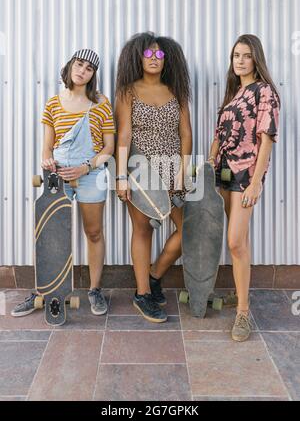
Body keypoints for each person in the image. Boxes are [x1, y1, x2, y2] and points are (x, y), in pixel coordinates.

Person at [11, 49, 115, 318]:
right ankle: (45, 291)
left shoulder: (101, 103)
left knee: (93, 232)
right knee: (51, 233)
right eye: (79, 64)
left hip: (91, 173)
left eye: (89, 68)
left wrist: (86, 166)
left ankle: (94, 290)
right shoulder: (53, 103)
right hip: (58, 175)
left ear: (93, 75)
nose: (83, 70)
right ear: (70, 66)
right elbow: (47, 147)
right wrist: (47, 161)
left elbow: (109, 147)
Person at [115, 32, 192, 323]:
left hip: (173, 169)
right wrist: (121, 176)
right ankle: (143, 293)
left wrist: (183, 170)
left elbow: (186, 133)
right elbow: (123, 135)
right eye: (149, 54)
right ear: (138, 57)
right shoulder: (127, 91)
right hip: (139, 171)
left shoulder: (176, 91)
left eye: (159, 55)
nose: (154, 59)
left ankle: (155, 273)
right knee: (143, 229)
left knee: (188, 231)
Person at [208, 35, 280, 341]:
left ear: (256, 59)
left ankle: (243, 313)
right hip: (222, 175)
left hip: (245, 176)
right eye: (236, 55)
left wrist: (256, 182)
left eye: (246, 55)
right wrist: (210, 160)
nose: (240, 60)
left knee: (236, 240)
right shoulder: (233, 93)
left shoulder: (265, 92)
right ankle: (240, 304)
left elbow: (267, 138)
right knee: (239, 242)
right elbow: (220, 134)